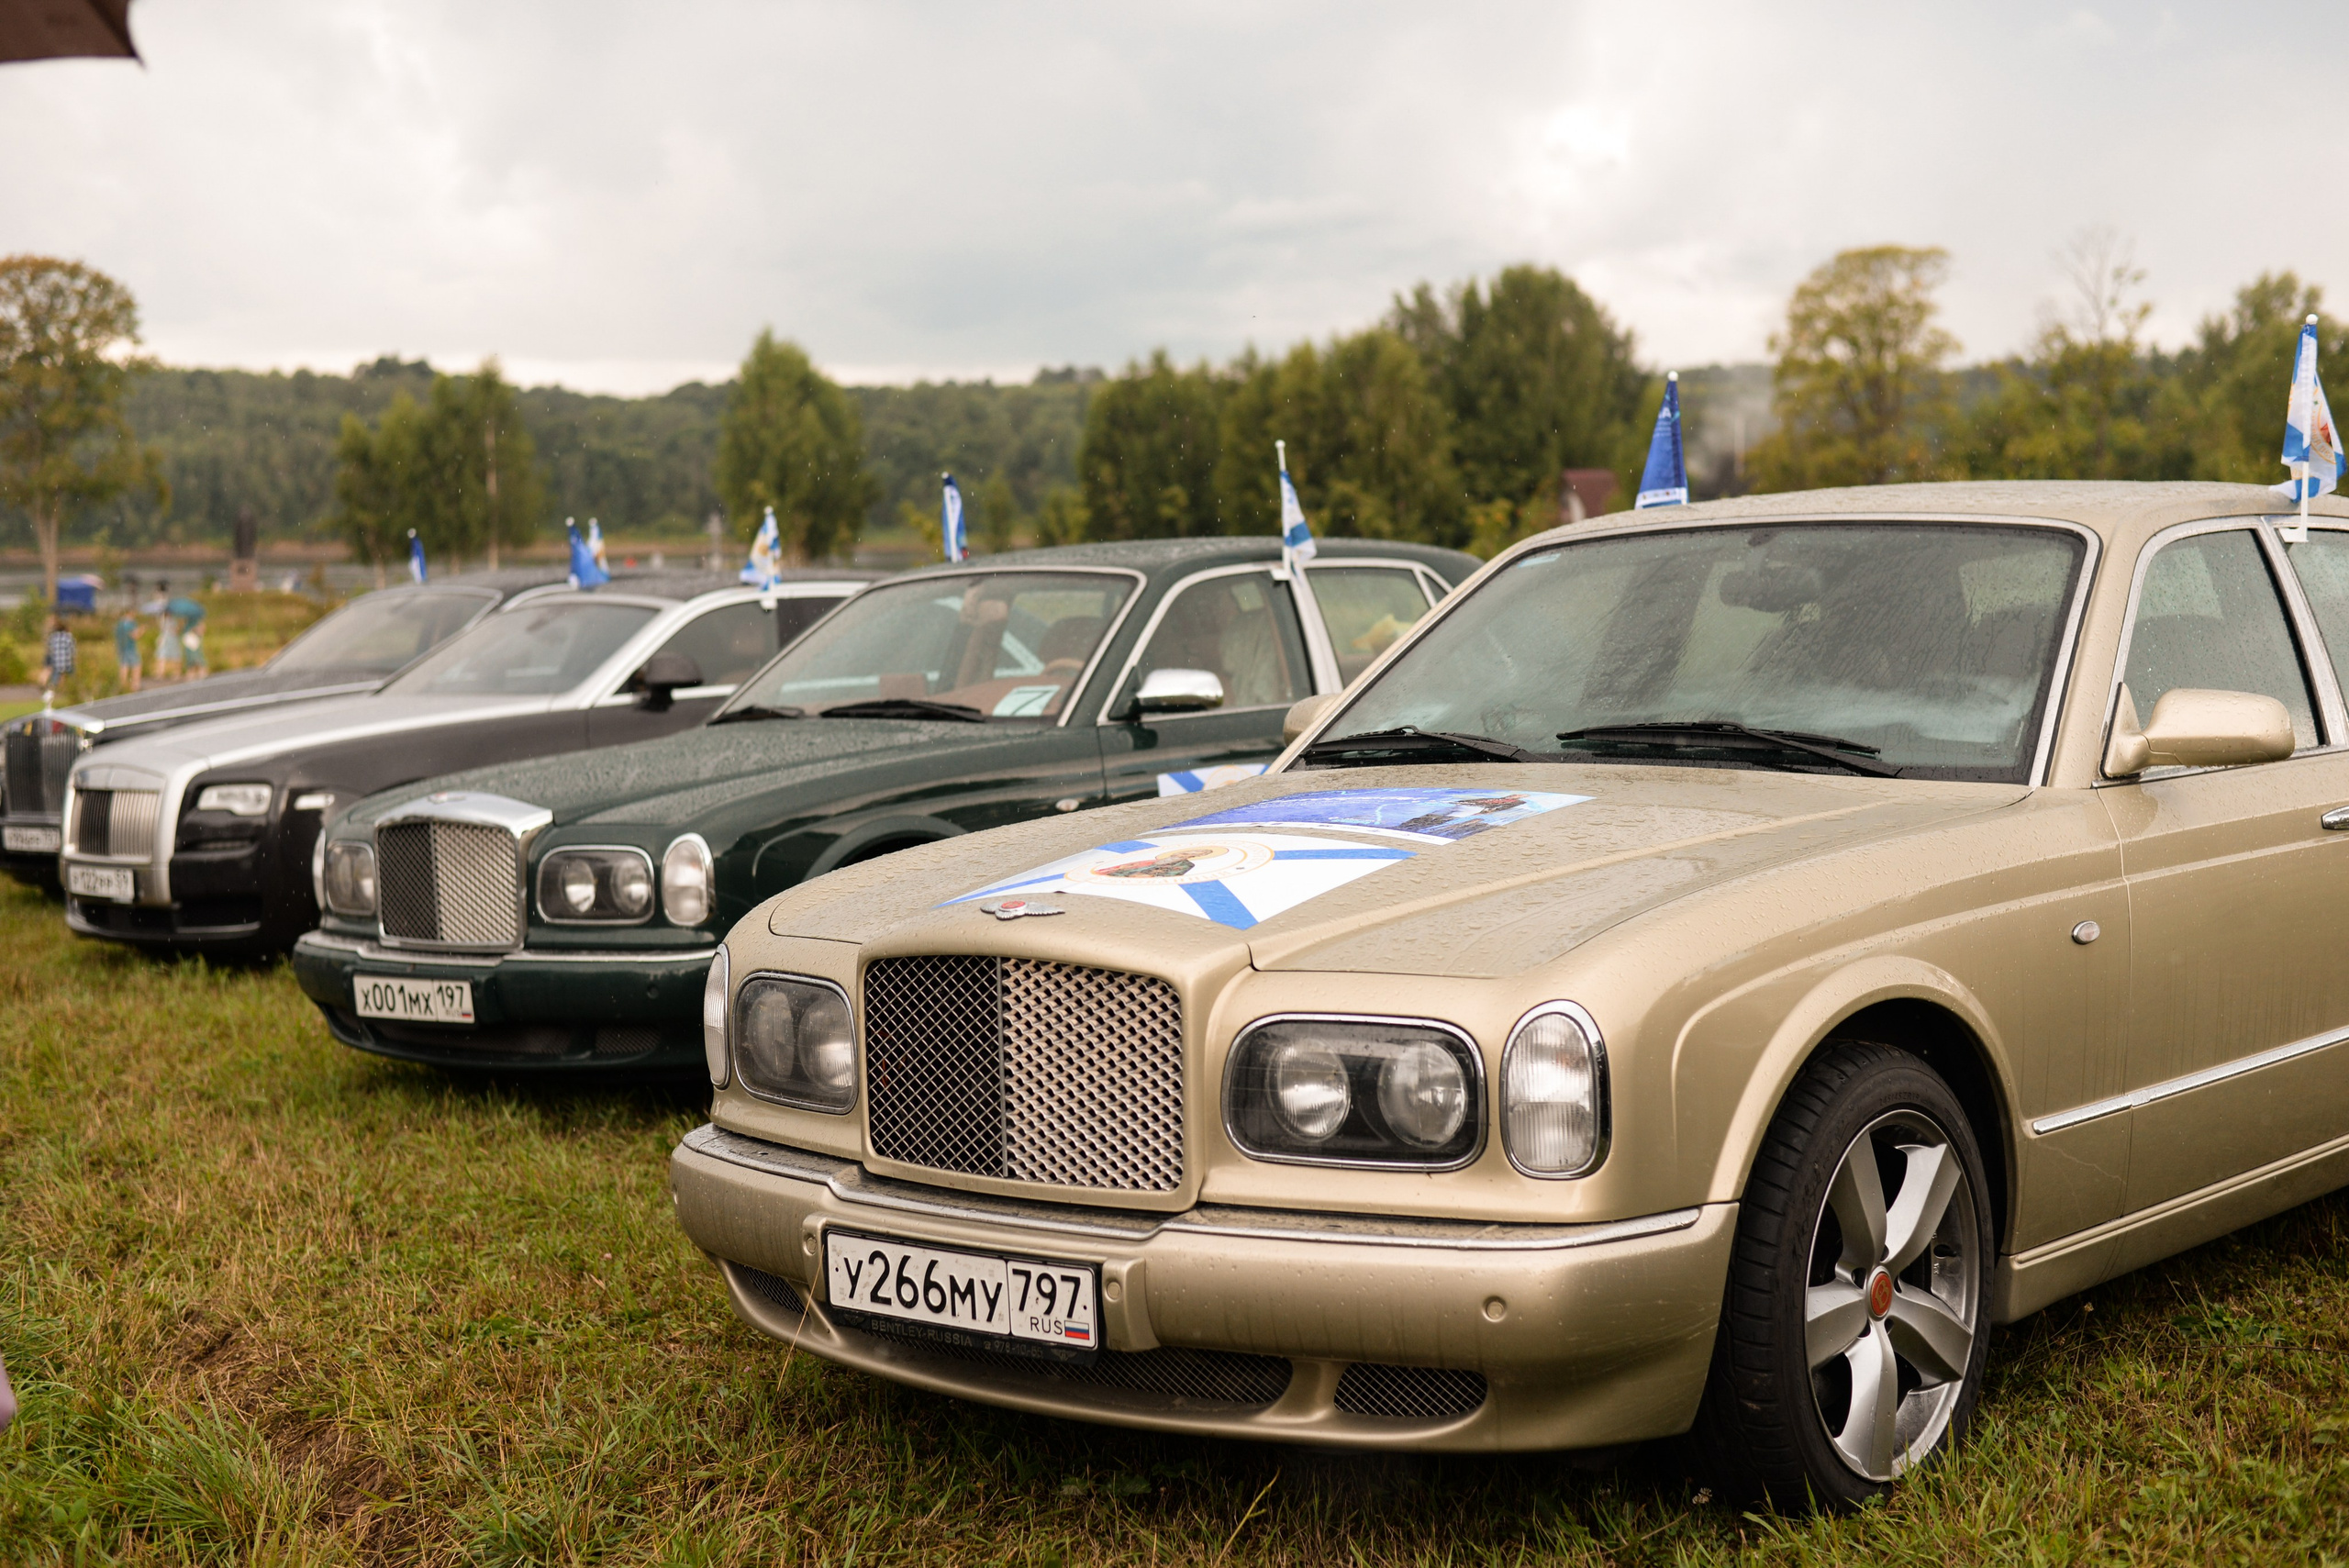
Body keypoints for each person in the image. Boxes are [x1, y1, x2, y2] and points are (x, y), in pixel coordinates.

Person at [167, 591, 208, 677]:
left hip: (194, 637)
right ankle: (191, 671)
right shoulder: (187, 619)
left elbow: (201, 628)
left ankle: (202, 670)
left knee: (196, 654)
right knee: (189, 655)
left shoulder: (196, 619)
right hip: (187, 637)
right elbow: (182, 628)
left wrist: (196, 630)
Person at [149, 580, 182, 679]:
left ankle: (175, 673)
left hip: (170, 638)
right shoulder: (164, 617)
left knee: (173, 655)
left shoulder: (170, 619)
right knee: (162, 655)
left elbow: (175, 629)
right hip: (166, 638)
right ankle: (161, 672)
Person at [39, 615, 75, 693]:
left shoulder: (53, 636)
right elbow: (72, 649)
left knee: (53, 674)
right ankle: (69, 689)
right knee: (69, 675)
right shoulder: (68, 636)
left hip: (55, 659)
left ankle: (48, 687)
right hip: (66, 660)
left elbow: (49, 646)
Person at [114, 605, 142, 692]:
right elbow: (134, 636)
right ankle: (135, 685)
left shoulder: (120, 623)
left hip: (121, 648)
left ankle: (122, 686)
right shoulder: (131, 623)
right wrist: (141, 630)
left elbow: (116, 635)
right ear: (131, 613)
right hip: (130, 647)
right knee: (137, 665)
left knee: (124, 666)